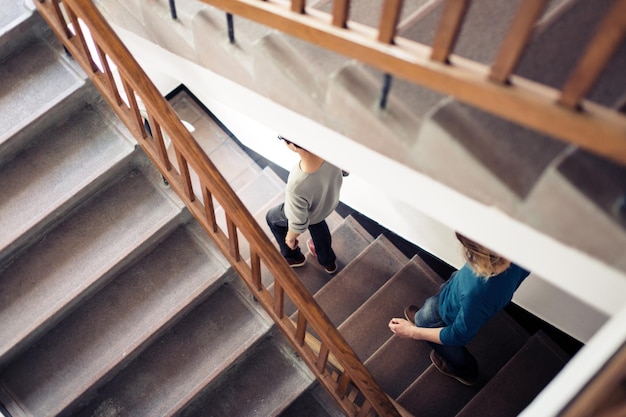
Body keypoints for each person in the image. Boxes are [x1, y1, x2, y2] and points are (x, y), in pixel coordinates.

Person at [388, 233, 530, 386]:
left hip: (450, 312)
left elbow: (458, 335)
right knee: (431, 307)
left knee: (425, 321)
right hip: (456, 291)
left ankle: (464, 371)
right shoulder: (525, 248)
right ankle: (424, 319)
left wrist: (412, 332)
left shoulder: (477, 293)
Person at [266, 136, 343, 274]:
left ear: (294, 146)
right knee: (318, 224)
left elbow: (297, 221)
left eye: (281, 138)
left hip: (310, 212)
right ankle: (328, 262)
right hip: (326, 205)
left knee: (271, 218)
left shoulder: (297, 183)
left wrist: (290, 238)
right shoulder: (332, 152)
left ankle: (293, 257)